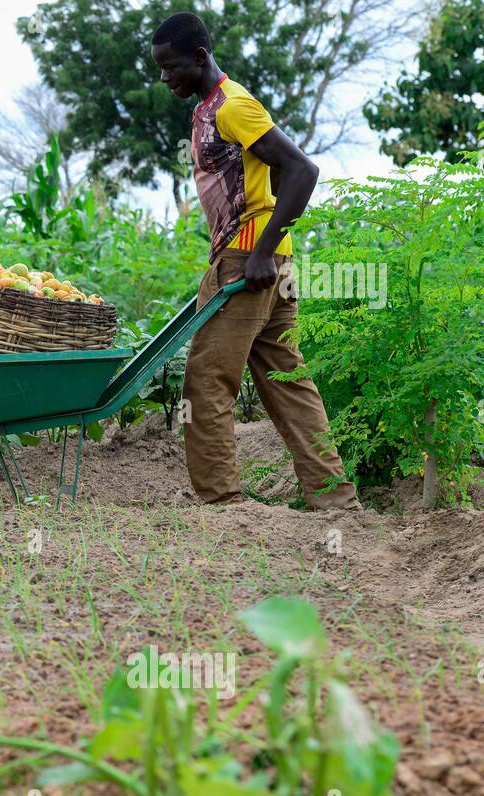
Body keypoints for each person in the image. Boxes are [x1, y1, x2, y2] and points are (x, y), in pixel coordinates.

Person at [151, 11, 361, 510]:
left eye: (170, 66)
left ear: (200, 58)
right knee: (289, 381)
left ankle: (222, 503)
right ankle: (335, 501)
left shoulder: (233, 106)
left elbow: (302, 170)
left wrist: (262, 250)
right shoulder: (207, 108)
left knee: (205, 382)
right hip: (260, 262)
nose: (164, 78)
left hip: (250, 262)